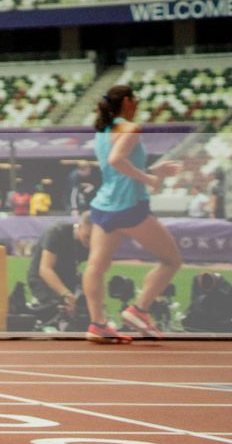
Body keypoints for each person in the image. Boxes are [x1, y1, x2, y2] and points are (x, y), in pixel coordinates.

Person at [83, 85, 185, 343]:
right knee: (171, 260)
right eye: (135, 99)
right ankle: (139, 309)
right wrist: (149, 179)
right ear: (127, 101)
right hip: (128, 208)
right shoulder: (130, 128)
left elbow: (117, 166)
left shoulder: (103, 131)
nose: (137, 103)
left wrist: (154, 170)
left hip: (104, 207)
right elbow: (117, 160)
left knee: (96, 266)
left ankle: (98, 324)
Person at [27, 212, 93, 321]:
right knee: (57, 311)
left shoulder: (88, 242)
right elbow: (45, 269)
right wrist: (66, 294)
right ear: (80, 226)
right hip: (41, 278)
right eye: (87, 237)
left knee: (84, 308)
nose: (90, 242)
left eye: (93, 238)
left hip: (68, 276)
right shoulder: (57, 232)